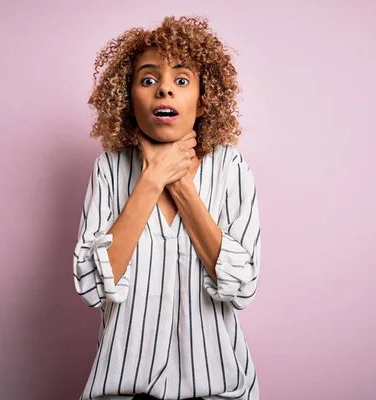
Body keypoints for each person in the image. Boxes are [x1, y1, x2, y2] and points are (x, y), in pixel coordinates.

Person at [72, 16, 261, 400]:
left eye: (181, 80)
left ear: (203, 100)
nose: (164, 91)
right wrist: (151, 180)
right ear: (128, 99)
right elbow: (91, 286)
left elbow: (242, 288)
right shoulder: (109, 169)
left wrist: (178, 182)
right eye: (148, 79)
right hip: (123, 391)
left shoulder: (230, 168)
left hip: (220, 392)